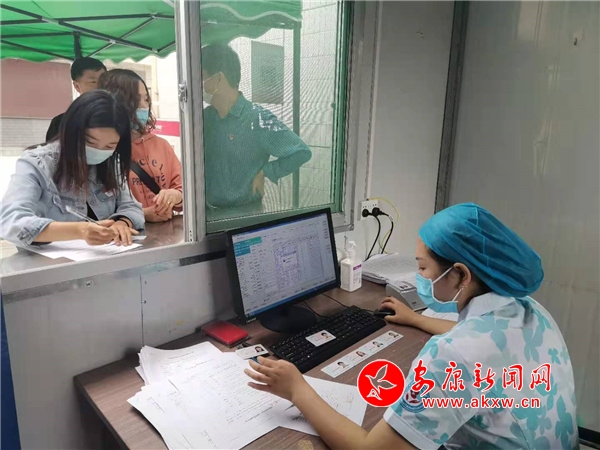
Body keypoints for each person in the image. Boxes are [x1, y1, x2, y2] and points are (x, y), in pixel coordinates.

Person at [245, 203, 578, 449]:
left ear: (461, 275)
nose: (419, 277)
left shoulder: (453, 356)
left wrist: (298, 390)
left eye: (422, 268)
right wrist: (416, 319)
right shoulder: (529, 310)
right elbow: (485, 345)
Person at [1, 91, 144, 248]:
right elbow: (10, 221)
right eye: (90, 142)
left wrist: (122, 222)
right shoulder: (37, 163)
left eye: (109, 146)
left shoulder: (110, 162)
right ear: (71, 132)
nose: (99, 151)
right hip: (49, 261)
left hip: (105, 257)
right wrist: (78, 231)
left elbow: (131, 206)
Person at [201, 44, 311, 211]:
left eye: (202, 78)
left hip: (246, 214)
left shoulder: (257, 119)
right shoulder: (205, 119)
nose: (199, 86)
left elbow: (301, 152)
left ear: (219, 79)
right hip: (206, 214)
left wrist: (266, 171)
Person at [98, 69, 183, 223]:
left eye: (146, 99)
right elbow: (95, 212)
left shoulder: (161, 145)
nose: (144, 106)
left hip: (167, 232)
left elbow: (185, 189)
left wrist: (175, 196)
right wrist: (143, 214)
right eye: (136, 100)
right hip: (125, 234)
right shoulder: (103, 150)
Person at [46, 57, 107, 141]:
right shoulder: (62, 122)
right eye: (93, 82)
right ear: (77, 86)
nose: (101, 86)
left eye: (104, 80)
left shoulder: (117, 116)